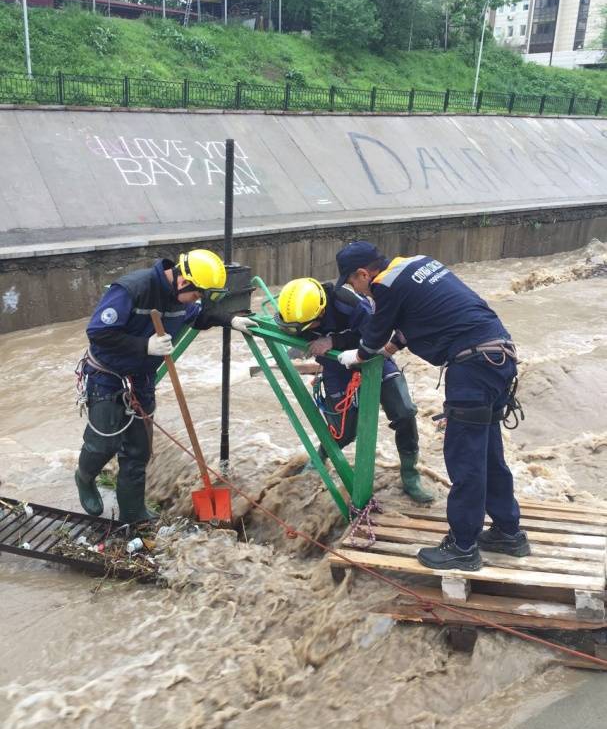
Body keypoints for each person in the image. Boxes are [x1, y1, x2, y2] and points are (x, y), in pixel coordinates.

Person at [335, 241, 529, 571]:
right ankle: (508, 532)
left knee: (465, 458)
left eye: (353, 284)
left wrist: (359, 355)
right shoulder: (419, 264)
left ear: (363, 274)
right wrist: (389, 350)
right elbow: (423, 319)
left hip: (472, 367)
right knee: (489, 453)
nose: (358, 291)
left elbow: (374, 333)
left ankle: (463, 547)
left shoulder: (385, 285)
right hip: (499, 355)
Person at [75, 249, 254, 524]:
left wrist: (229, 320)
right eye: (196, 294)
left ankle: (132, 514)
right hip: (107, 376)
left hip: (142, 380)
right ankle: (84, 477)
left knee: (138, 451)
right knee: (103, 443)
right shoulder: (132, 289)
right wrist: (143, 345)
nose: (196, 300)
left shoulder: (180, 296)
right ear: (183, 282)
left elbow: (197, 316)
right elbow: (98, 332)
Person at [274, 270, 433, 503]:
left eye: (309, 326)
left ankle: (410, 474)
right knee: (344, 430)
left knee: (404, 411)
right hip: (335, 364)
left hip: (370, 358)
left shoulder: (350, 305)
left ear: (322, 310)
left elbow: (377, 335)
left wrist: (333, 341)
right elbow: (286, 330)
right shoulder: (294, 310)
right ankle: (320, 457)